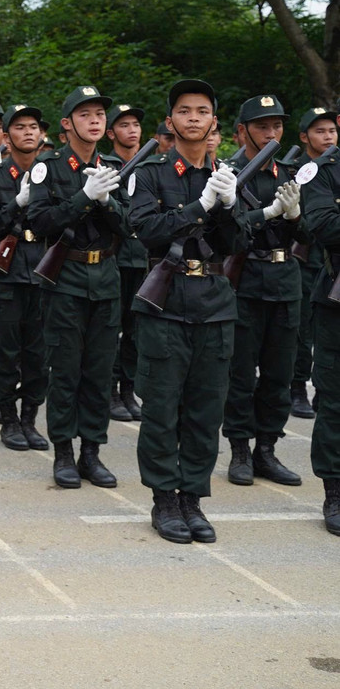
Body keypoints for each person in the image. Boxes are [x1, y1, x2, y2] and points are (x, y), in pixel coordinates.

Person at [128, 79, 246, 543]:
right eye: (184, 110)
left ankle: (193, 498)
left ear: (214, 122)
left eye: (202, 111)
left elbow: (238, 246)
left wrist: (229, 207)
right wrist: (199, 207)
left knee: (205, 409)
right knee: (161, 407)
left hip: (214, 303)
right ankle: (164, 500)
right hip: (167, 301)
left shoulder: (225, 173)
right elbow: (145, 230)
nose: (193, 118)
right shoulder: (153, 173)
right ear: (171, 120)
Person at [27, 85, 127, 491]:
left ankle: (92, 450)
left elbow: (131, 229)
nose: (95, 121)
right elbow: (39, 222)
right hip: (65, 278)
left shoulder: (114, 166)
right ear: (68, 124)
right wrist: (83, 198)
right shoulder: (48, 168)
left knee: (100, 371)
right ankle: (64, 451)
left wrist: (106, 201)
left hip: (105, 277)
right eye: (85, 115)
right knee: (66, 368)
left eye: (100, 114)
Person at [222, 96, 307, 487]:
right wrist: (267, 214)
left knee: (279, 373)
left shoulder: (291, 172)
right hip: (245, 279)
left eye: (276, 125)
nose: (270, 133)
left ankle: (266, 450)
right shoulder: (229, 172)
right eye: (261, 126)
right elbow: (230, 230)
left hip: (284, 279)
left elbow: (310, 236)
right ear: (242, 132)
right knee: (240, 371)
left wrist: (294, 216)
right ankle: (240, 449)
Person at [0, 104, 51, 451]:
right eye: (19, 127)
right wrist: (17, 204)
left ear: (42, 134)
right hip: (6, 272)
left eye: (33, 127)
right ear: (7, 137)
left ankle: (30, 419)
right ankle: (8, 418)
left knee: (39, 353)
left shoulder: (51, 173)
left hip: (45, 270)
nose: (28, 133)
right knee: (5, 350)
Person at [297, 131, 340, 535]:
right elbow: (324, 226)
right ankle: (335, 491)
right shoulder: (323, 171)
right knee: (335, 400)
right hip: (337, 301)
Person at [292, 106, 337, 418]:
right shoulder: (306, 169)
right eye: (320, 131)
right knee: (303, 330)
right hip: (306, 261)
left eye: (331, 130)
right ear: (305, 136)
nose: (328, 136)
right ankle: (297, 387)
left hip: (322, 264)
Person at [104, 104, 148, 422]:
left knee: (135, 330)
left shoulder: (150, 166)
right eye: (124, 125)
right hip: (116, 257)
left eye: (135, 124)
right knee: (112, 328)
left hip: (141, 256)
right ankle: (108, 391)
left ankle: (127, 389)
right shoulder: (106, 166)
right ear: (111, 133)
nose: (132, 130)